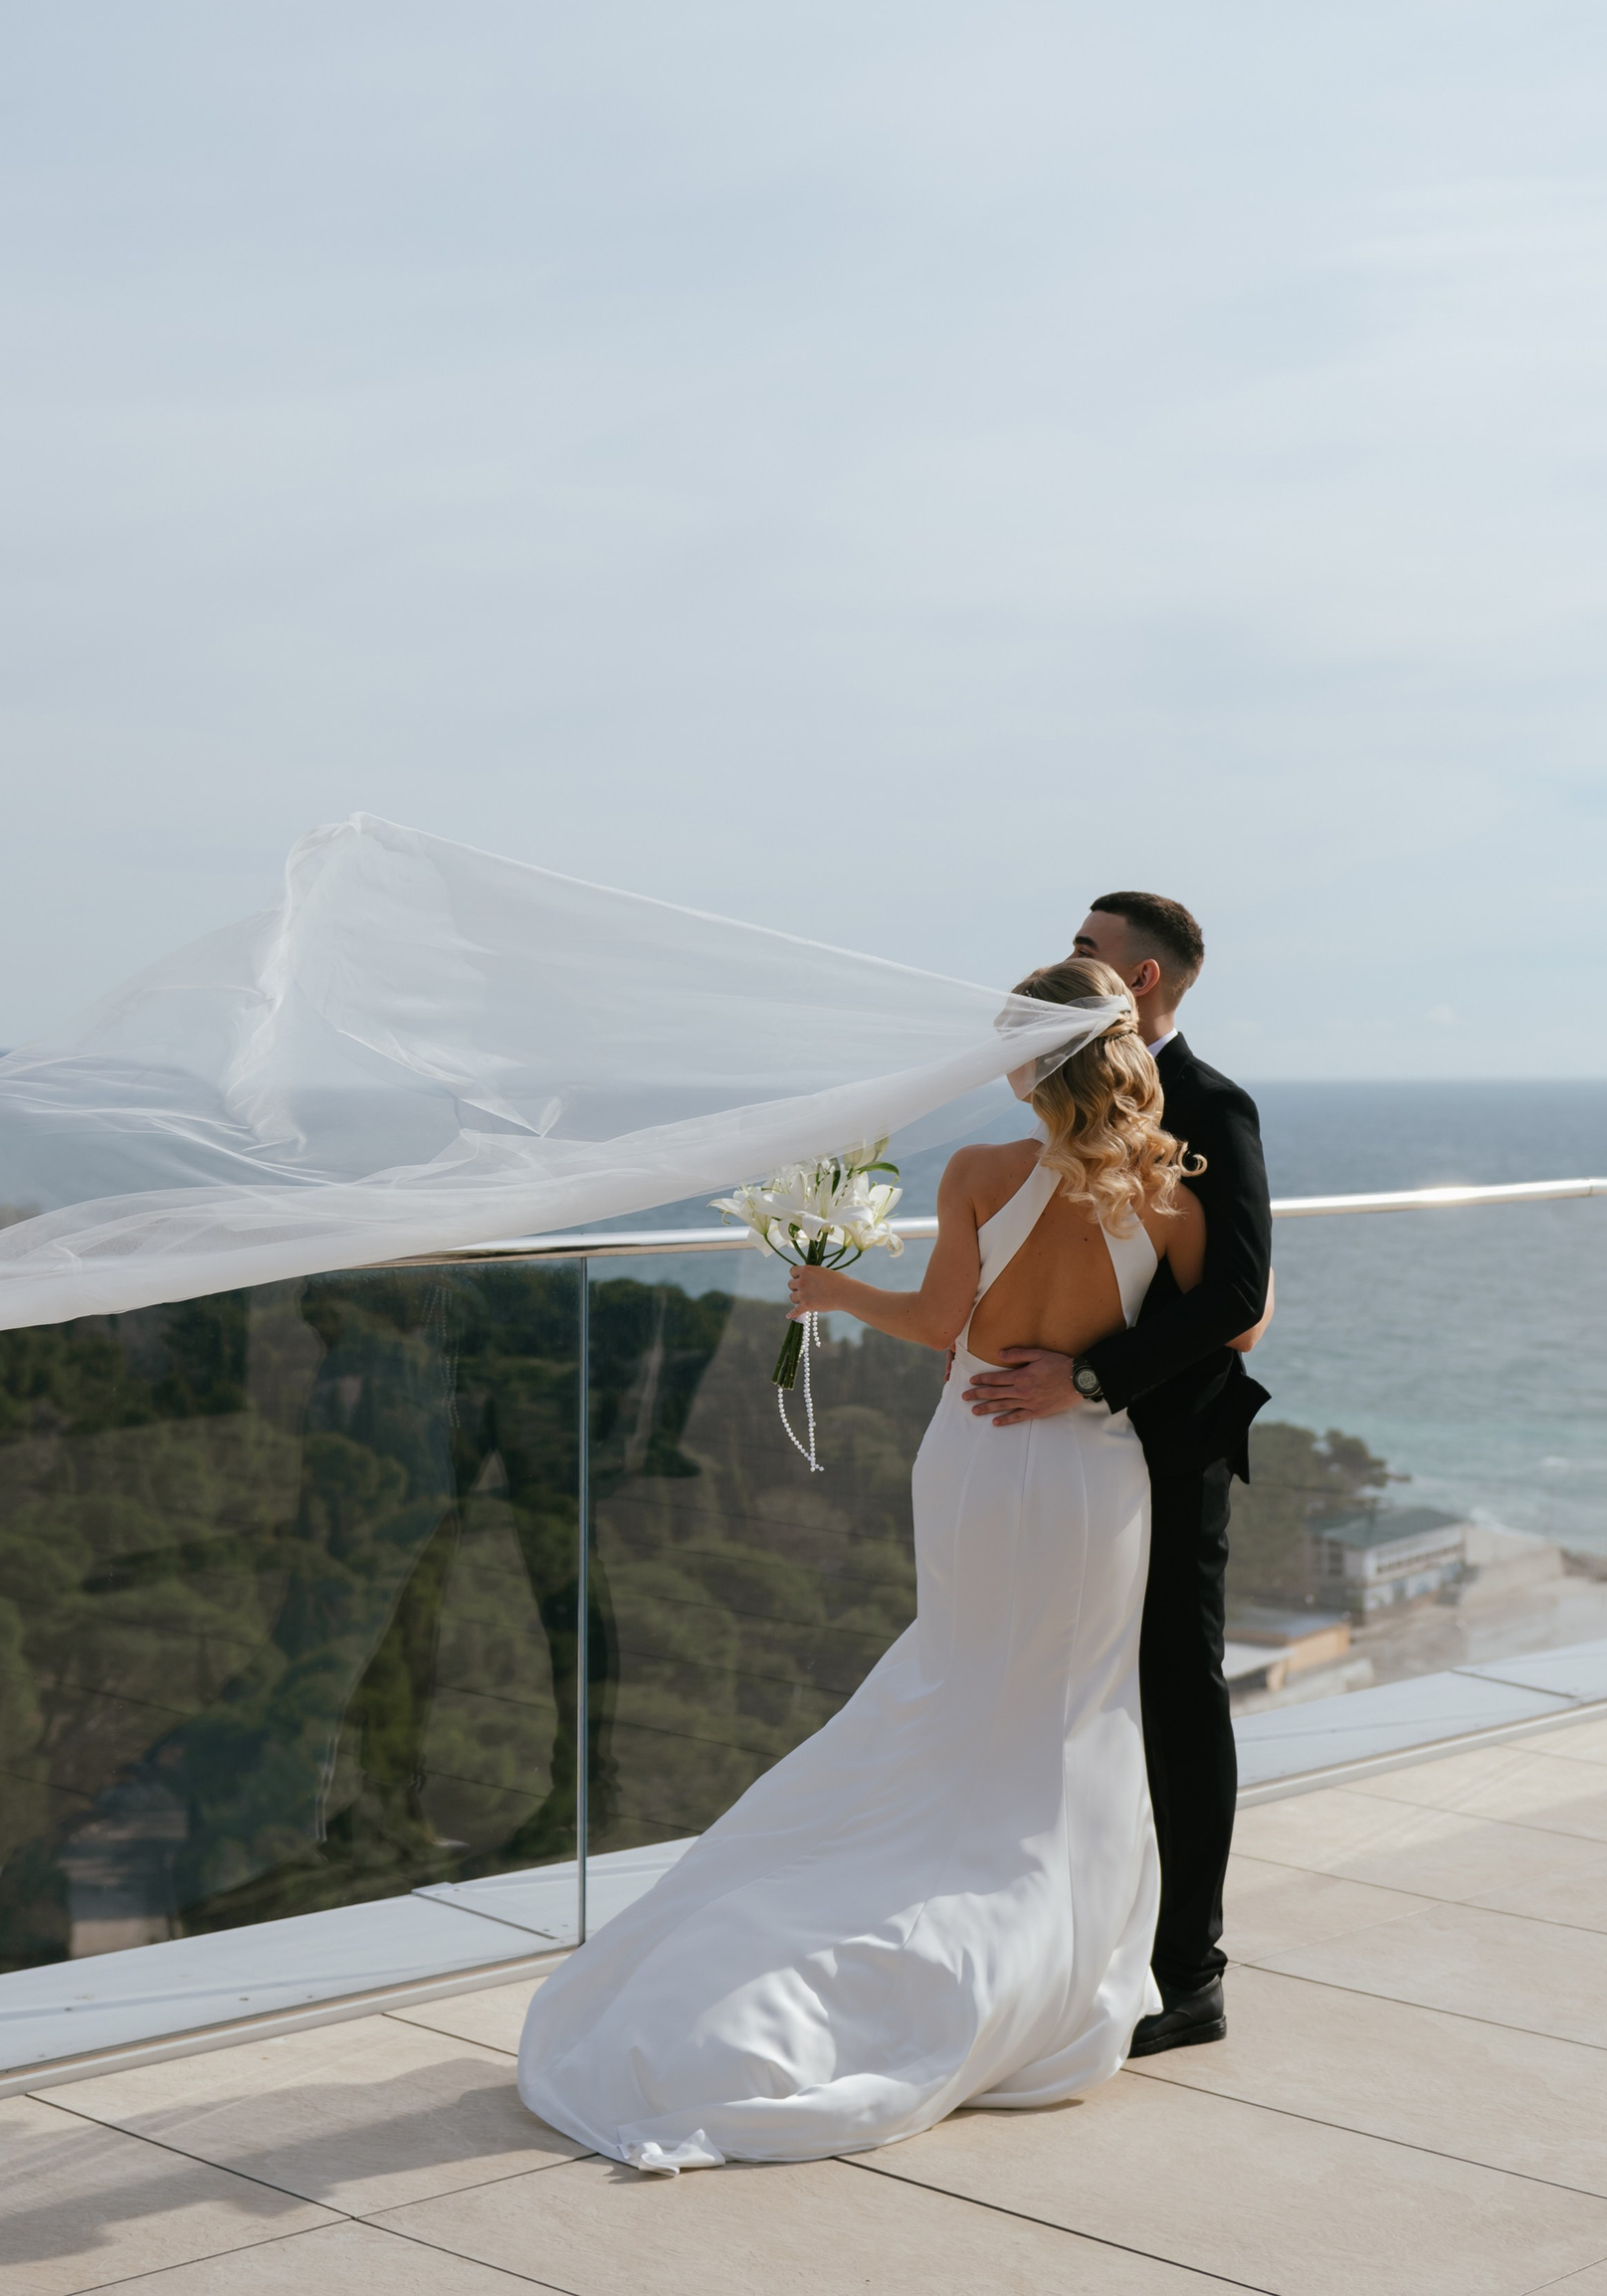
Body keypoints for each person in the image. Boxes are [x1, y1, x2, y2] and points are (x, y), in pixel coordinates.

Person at [517, 958, 1214, 2172]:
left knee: (961, 1675)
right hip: (1096, 1470)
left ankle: (903, 1892)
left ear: (1034, 1059)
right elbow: (1225, 1327)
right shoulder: (1175, 1193)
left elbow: (944, 1325)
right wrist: (1090, 1374)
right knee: (1075, 1708)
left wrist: (834, 1289)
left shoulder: (981, 1172)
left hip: (978, 1457)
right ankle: (1051, 1957)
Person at [963, 892, 1271, 2055]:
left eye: (1085, 947)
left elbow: (1237, 1296)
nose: (1065, 958)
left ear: (1139, 978)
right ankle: (1068, 1932)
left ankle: (1189, 1973)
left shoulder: (1212, 1104)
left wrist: (1088, 1378)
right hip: (1053, 1461)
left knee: (1176, 1693)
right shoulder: (1051, 1102)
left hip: (1167, 1447)